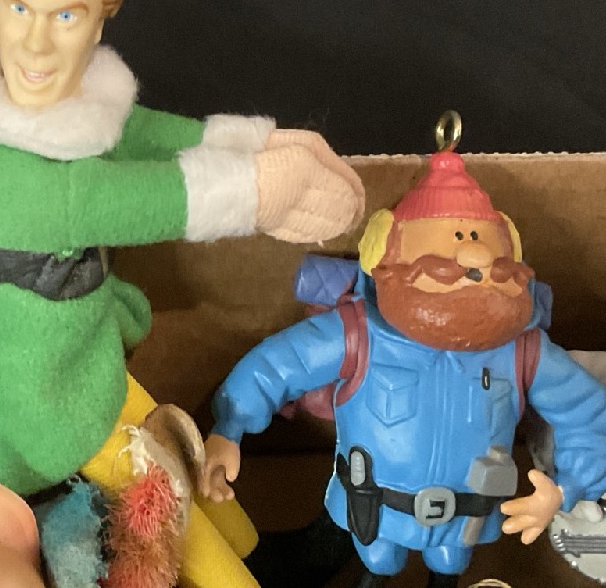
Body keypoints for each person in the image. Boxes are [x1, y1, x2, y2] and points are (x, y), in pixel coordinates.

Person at [0, 0, 365, 588]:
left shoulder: (57, 113)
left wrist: (255, 142)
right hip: (28, 409)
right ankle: (240, 580)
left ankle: (257, 550)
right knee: (155, 483)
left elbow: (133, 133)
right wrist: (264, 188)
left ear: (98, 23)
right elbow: (158, 199)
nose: (36, 42)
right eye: (20, 9)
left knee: (175, 444)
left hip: (75, 362)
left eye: (66, 15)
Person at [202, 140, 606, 588]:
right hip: (373, 509)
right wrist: (229, 427)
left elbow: (587, 409)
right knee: (377, 564)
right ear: (386, 257)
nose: (471, 257)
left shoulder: (522, 350)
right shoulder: (359, 334)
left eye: (479, 240)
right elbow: (278, 366)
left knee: (449, 566)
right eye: (452, 242)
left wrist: (568, 488)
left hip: (466, 519)